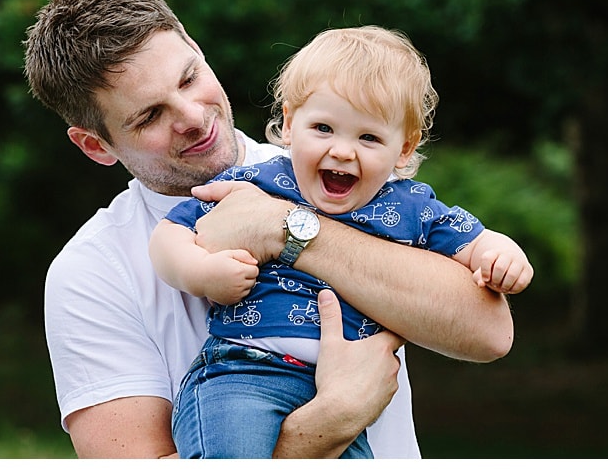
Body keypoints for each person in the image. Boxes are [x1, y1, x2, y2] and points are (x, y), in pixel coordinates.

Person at [23, 0, 517, 459]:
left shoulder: (335, 171)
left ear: (195, 47)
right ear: (95, 145)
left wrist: (287, 231)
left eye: (190, 77)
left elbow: (489, 332)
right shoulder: (91, 273)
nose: (193, 116)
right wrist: (330, 423)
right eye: (150, 115)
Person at [150, 26, 532, 458]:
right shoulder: (260, 183)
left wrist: (503, 256)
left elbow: (476, 243)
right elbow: (171, 233)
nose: (343, 151)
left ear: (403, 150)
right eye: (323, 128)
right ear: (290, 124)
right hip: (243, 373)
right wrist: (199, 273)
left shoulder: (410, 207)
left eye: (368, 137)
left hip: (346, 396)